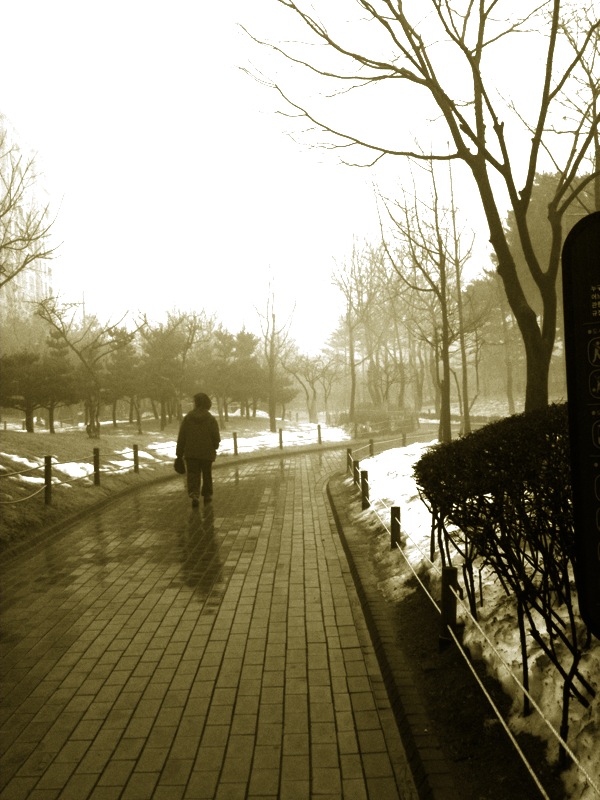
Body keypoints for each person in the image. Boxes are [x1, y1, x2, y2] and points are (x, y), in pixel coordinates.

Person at [176, 392, 221, 508]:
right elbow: (216, 436)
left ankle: (194, 494)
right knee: (207, 474)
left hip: (191, 453)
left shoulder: (188, 418)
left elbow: (182, 437)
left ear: (196, 403)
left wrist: (179, 454)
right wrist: (214, 446)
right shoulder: (210, 419)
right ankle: (207, 495)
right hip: (207, 452)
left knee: (192, 474)